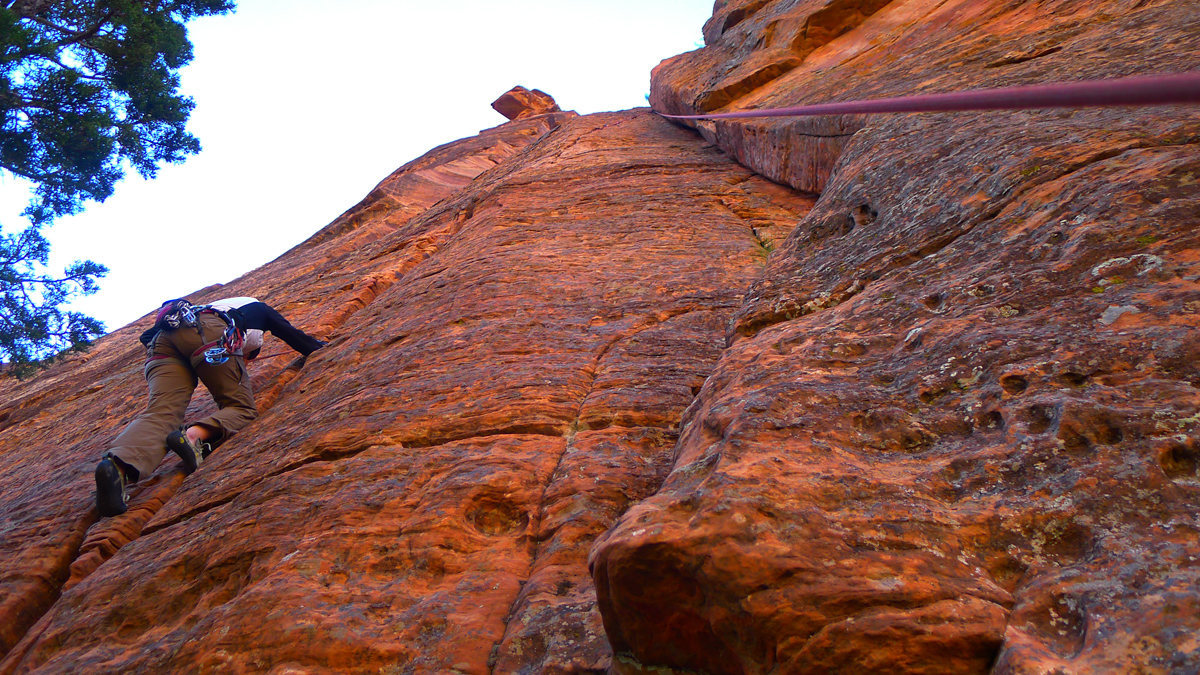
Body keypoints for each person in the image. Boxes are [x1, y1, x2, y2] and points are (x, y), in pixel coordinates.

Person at [94, 296, 324, 516]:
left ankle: (118, 466)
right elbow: (291, 333)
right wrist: (319, 348)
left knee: (161, 412)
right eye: (246, 358)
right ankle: (193, 437)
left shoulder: (213, 307)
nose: (245, 363)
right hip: (206, 330)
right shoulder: (256, 308)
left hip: (161, 344)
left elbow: (148, 337)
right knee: (241, 407)